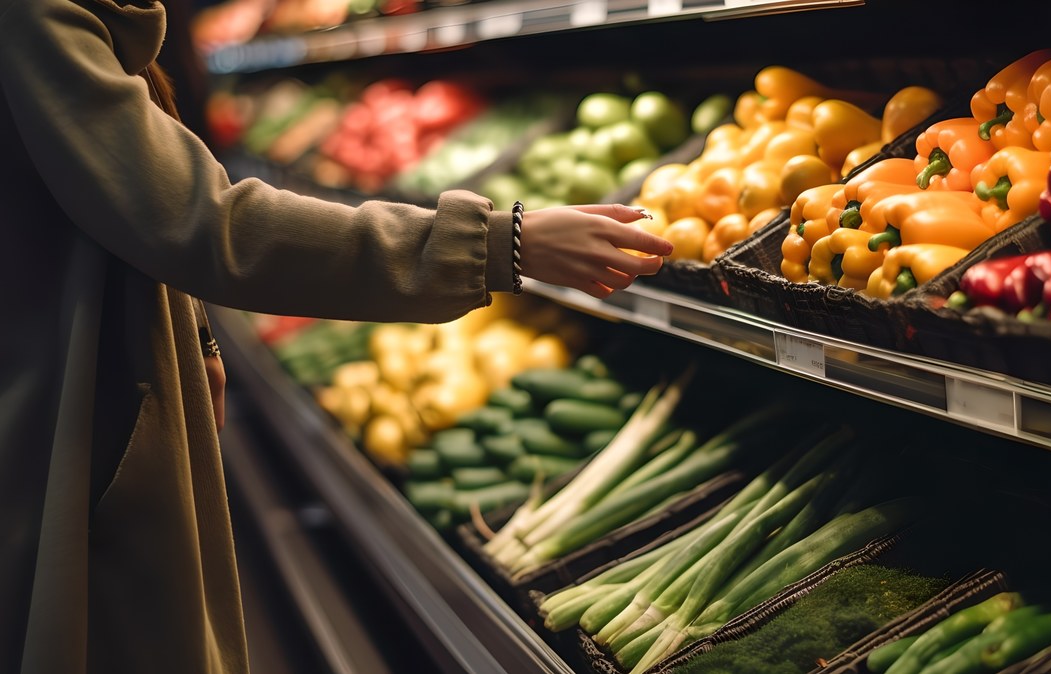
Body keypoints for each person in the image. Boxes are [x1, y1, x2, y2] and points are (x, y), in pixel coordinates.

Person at [0, 1, 674, 672]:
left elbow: (136, 209)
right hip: (67, 401)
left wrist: (198, 336)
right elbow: (208, 224)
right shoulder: (35, 17)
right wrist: (502, 243)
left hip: (102, 379)